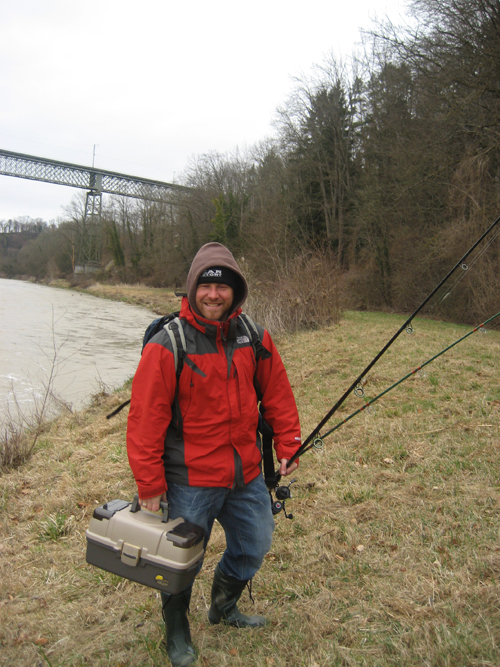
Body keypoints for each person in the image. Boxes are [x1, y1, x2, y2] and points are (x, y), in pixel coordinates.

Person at [126, 242, 301, 666]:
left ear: (235, 292)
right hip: (189, 478)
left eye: (223, 287)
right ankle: (177, 630)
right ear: (192, 289)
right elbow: (145, 420)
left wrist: (288, 442)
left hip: (246, 473)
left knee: (254, 544)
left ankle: (223, 607)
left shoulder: (254, 337)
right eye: (206, 286)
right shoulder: (168, 343)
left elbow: (277, 393)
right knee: (179, 560)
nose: (214, 295)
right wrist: (150, 485)